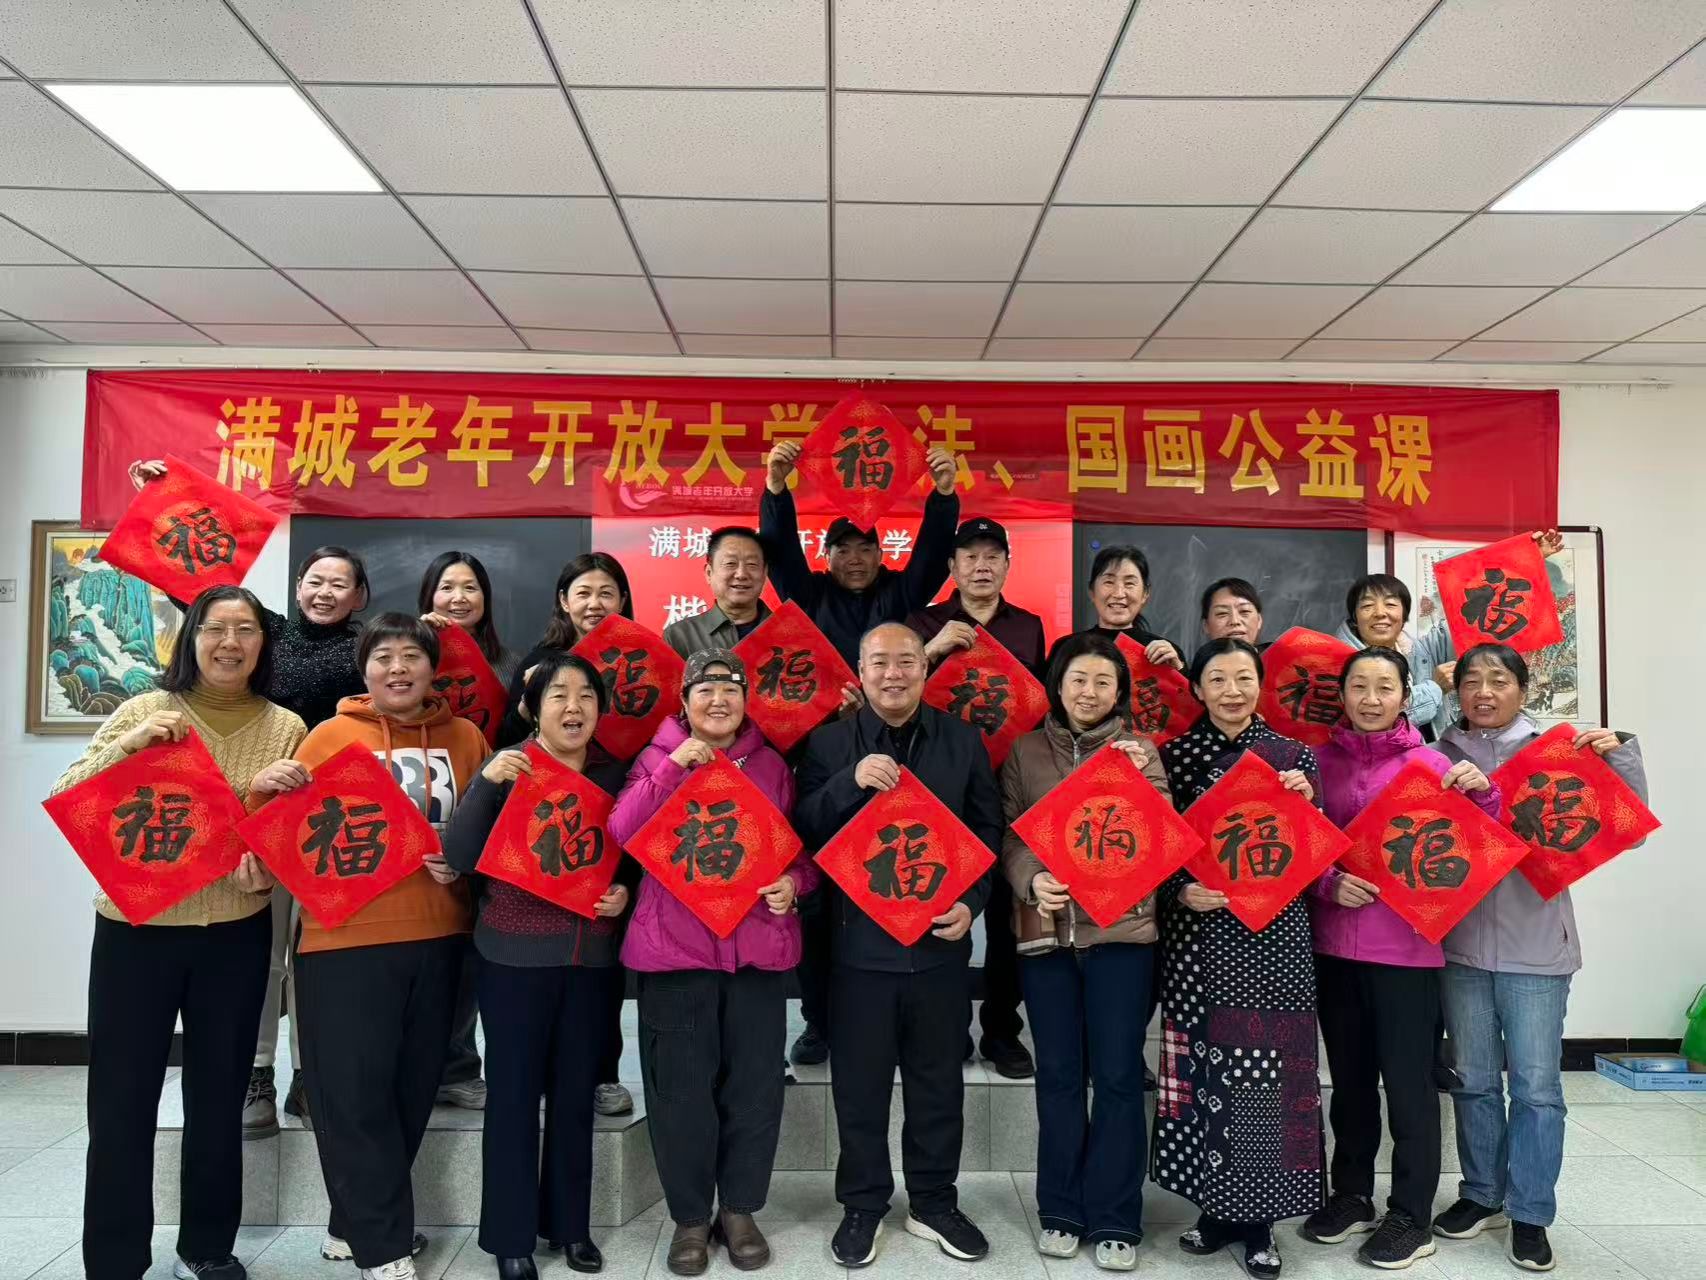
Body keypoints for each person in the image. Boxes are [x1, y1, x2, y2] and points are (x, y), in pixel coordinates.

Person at [51, 585, 305, 1280]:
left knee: (219, 1096)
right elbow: (73, 794)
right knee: (121, 1098)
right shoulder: (145, 709)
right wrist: (128, 744)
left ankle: (208, 1245)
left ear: (263, 644)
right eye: (216, 628)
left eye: (246, 629)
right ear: (190, 637)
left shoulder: (286, 727)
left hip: (235, 933)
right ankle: (114, 1256)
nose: (230, 642)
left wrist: (268, 873)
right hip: (136, 931)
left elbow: (288, 840)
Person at [132, 460, 374, 1137]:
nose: (325, 592)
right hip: (261, 807)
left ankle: (312, 1077)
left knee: (319, 956)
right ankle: (258, 1075)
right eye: (316, 580)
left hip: (334, 817)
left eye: (340, 584)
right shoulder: (266, 631)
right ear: (298, 587)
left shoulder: (370, 648)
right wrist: (159, 497)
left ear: (360, 596)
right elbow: (195, 584)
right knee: (266, 954)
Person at [257, 613, 488, 1280]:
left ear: (433, 667)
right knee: (351, 1093)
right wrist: (264, 789)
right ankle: (383, 1246)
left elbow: (488, 831)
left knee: (413, 1089)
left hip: (441, 935)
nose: (397, 668)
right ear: (364, 668)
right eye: (383, 656)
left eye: (411, 656)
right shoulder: (328, 737)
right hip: (344, 940)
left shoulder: (466, 738)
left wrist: (464, 861)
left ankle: (350, 1223)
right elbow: (284, 830)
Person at [1429, 643, 1649, 1273]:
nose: (1484, 692)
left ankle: (1530, 1212)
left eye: (1499, 680)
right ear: (1456, 691)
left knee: (1536, 1088)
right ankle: (1482, 1194)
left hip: (1537, 946)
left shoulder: (1556, 751)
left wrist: (1620, 752)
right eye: (1471, 681)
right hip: (1461, 947)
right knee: (1473, 1079)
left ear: (1523, 690)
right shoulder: (1440, 754)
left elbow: (1626, 824)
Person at [795, 623, 1000, 1268]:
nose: (894, 674)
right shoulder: (829, 744)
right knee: (859, 1087)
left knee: (938, 1084)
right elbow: (802, 829)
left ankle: (934, 1202)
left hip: (939, 947)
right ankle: (863, 1204)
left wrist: (971, 903)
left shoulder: (962, 740)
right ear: (859, 671)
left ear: (924, 668)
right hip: (856, 951)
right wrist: (849, 781)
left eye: (906, 661)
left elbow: (987, 832)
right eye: (879, 662)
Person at [607, 650, 817, 1275]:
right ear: (684, 700)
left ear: (747, 700)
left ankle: (741, 1209)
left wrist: (794, 884)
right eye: (705, 689)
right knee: (680, 1093)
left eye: (731, 689)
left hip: (757, 952)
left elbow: (799, 852)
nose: (718, 700)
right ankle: (691, 1216)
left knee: (755, 1088)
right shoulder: (655, 757)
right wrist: (673, 767)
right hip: (675, 955)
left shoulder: (772, 765)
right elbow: (622, 831)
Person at [761, 439, 961, 1069]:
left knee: (897, 882)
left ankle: (917, 1019)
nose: (854, 557)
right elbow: (780, 556)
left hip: (899, 759)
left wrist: (943, 496)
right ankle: (819, 1021)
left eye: (866, 547)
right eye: (842, 547)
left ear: (882, 552)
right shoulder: (809, 595)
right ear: (827, 556)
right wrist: (776, 490)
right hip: (826, 761)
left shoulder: (900, 596)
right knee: (821, 903)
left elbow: (931, 556)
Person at [1304, 647, 1500, 1271]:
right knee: (1350, 1081)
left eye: (1384, 687)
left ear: (1405, 696)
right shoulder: (1318, 764)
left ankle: (1411, 1215)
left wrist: (1485, 794)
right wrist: (1328, 883)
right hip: (1334, 947)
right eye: (1358, 686)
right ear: (1342, 695)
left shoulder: (1432, 764)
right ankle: (1351, 1194)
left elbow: (1478, 839)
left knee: (1410, 1085)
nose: (1370, 699)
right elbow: (1302, 844)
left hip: (1408, 952)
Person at [442, 653, 634, 1280]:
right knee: (515, 1097)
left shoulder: (615, 774)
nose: (573, 708)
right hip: (513, 959)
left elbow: (634, 856)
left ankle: (570, 1227)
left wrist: (624, 893)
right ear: (532, 708)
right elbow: (459, 854)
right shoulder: (511, 766)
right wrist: (487, 782)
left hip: (590, 960)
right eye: (558, 695)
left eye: (586, 696)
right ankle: (510, 1237)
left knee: (576, 1094)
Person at [1154, 638, 1324, 1280]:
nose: (1232, 690)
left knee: (1267, 1080)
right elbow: (1157, 846)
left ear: (1261, 684)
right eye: (1218, 679)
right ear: (1197, 689)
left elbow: (1319, 849)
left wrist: (1308, 801)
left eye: (1244, 677)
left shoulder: (1293, 756)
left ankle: (1260, 1222)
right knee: (1201, 1073)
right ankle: (1213, 1210)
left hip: (1272, 943)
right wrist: (1180, 890)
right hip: (1198, 940)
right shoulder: (1174, 756)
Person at [999, 633, 1167, 1271]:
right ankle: (1061, 1209)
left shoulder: (1141, 751)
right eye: (1078, 679)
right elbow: (1010, 832)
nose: (1089, 692)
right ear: (1058, 685)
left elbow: (1160, 833)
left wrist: (1137, 777)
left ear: (1119, 692)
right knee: (1060, 1075)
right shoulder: (1025, 751)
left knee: (1119, 1076)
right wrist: (1030, 879)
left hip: (1121, 936)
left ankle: (1117, 1215)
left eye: (1102, 681)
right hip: (1046, 935)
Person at [495, 551, 635, 1119]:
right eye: (583, 592)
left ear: (623, 600)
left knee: (603, 955)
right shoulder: (538, 664)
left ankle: (604, 1072)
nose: (595, 603)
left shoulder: (640, 660)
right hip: (547, 823)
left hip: (616, 807)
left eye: (606, 592)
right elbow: (508, 735)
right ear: (563, 601)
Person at [906, 515, 1043, 1081]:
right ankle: (948, 1028)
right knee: (942, 905)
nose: (981, 566)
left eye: (992, 556)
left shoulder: (1029, 626)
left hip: (1009, 786)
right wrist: (931, 650)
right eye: (970, 556)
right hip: (943, 788)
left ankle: (1002, 1031)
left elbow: (1039, 706)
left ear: (1007, 565)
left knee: (1009, 915)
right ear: (952, 566)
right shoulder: (923, 622)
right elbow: (896, 692)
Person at [418, 549, 515, 1113]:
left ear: (486, 598)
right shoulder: (413, 655)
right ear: (429, 596)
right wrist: (421, 642)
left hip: (490, 817)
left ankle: (458, 1065)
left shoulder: (508, 663)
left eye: (470, 587)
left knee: (469, 946)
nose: (458, 598)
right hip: (421, 811)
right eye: (447, 587)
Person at [1045, 544, 1184, 673]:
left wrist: (1178, 670)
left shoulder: (1164, 654)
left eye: (1129, 583)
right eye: (1109, 582)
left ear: (1145, 594)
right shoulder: (1066, 648)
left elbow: (1185, 692)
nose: (1119, 593)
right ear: (1092, 591)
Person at [662, 526, 773, 657]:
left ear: (765, 573)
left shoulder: (788, 632)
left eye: (752, 564)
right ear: (709, 573)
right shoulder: (680, 637)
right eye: (730, 563)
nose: (741, 574)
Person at [1199, 577, 1266, 650]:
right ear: (1206, 625)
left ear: (1259, 620)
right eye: (1222, 613)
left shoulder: (1274, 655)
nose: (1234, 621)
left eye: (1244, 611)